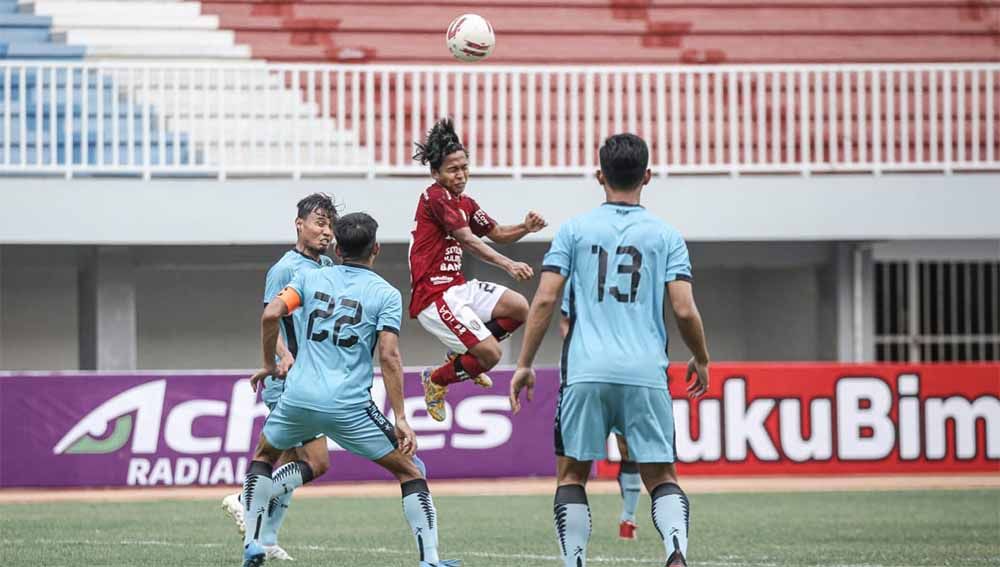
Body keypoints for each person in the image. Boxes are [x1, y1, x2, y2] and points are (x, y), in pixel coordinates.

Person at [509, 133, 711, 567]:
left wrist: (524, 363)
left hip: (585, 371)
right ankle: (675, 550)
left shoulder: (574, 230)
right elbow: (684, 309)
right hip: (646, 373)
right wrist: (702, 357)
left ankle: (576, 561)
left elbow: (544, 300)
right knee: (662, 477)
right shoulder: (666, 235)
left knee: (572, 475)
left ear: (599, 175)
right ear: (648, 176)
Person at [241, 212, 459, 567]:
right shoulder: (386, 294)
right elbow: (389, 356)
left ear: (337, 249)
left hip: (298, 397)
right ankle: (431, 560)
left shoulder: (309, 278)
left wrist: (269, 363)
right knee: (411, 470)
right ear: (376, 248)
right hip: (349, 406)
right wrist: (401, 417)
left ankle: (253, 542)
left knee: (264, 457)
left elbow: (271, 315)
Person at [221, 193, 338, 561]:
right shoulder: (285, 269)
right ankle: (245, 498)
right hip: (290, 379)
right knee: (317, 462)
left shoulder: (326, 268)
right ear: (299, 224)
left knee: (288, 459)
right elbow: (271, 322)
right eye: (319, 222)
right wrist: (283, 357)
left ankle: (266, 538)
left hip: (311, 376)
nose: (326, 231)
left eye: (330, 225)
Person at [409, 117, 547, 422]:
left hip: (457, 288)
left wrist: (525, 227)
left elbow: (496, 232)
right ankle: (437, 379)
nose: (461, 175)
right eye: (452, 170)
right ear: (436, 173)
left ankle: (463, 358)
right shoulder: (435, 197)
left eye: (464, 168)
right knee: (490, 356)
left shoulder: (465, 202)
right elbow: (468, 240)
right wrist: (508, 263)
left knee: (518, 308)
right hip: (434, 295)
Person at [559, 289, 642, 541]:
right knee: (574, 461)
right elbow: (565, 320)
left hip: (630, 368)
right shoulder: (577, 278)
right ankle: (574, 534)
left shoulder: (633, 278)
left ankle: (628, 518)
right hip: (588, 372)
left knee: (629, 447)